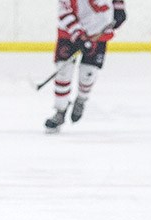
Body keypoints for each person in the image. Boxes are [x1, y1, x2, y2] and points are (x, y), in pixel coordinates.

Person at [44, 0, 126, 134]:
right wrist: (78, 35)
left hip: (98, 29)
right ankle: (60, 111)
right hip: (68, 33)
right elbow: (64, 10)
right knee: (63, 72)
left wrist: (119, 7)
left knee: (88, 73)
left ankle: (81, 100)